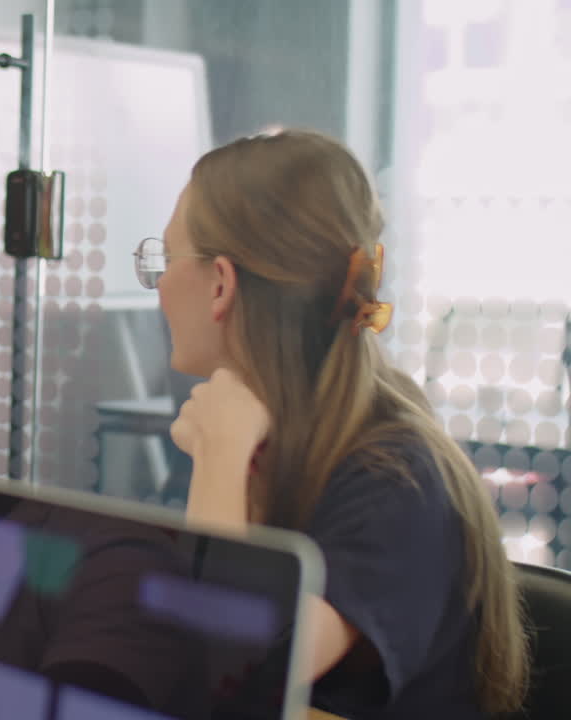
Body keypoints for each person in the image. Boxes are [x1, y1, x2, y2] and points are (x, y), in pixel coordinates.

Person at [145, 129, 528, 718]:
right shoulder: (277, 440)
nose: (161, 285)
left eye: (165, 259)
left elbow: (223, 679)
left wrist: (219, 457)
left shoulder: (396, 480)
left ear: (220, 283)